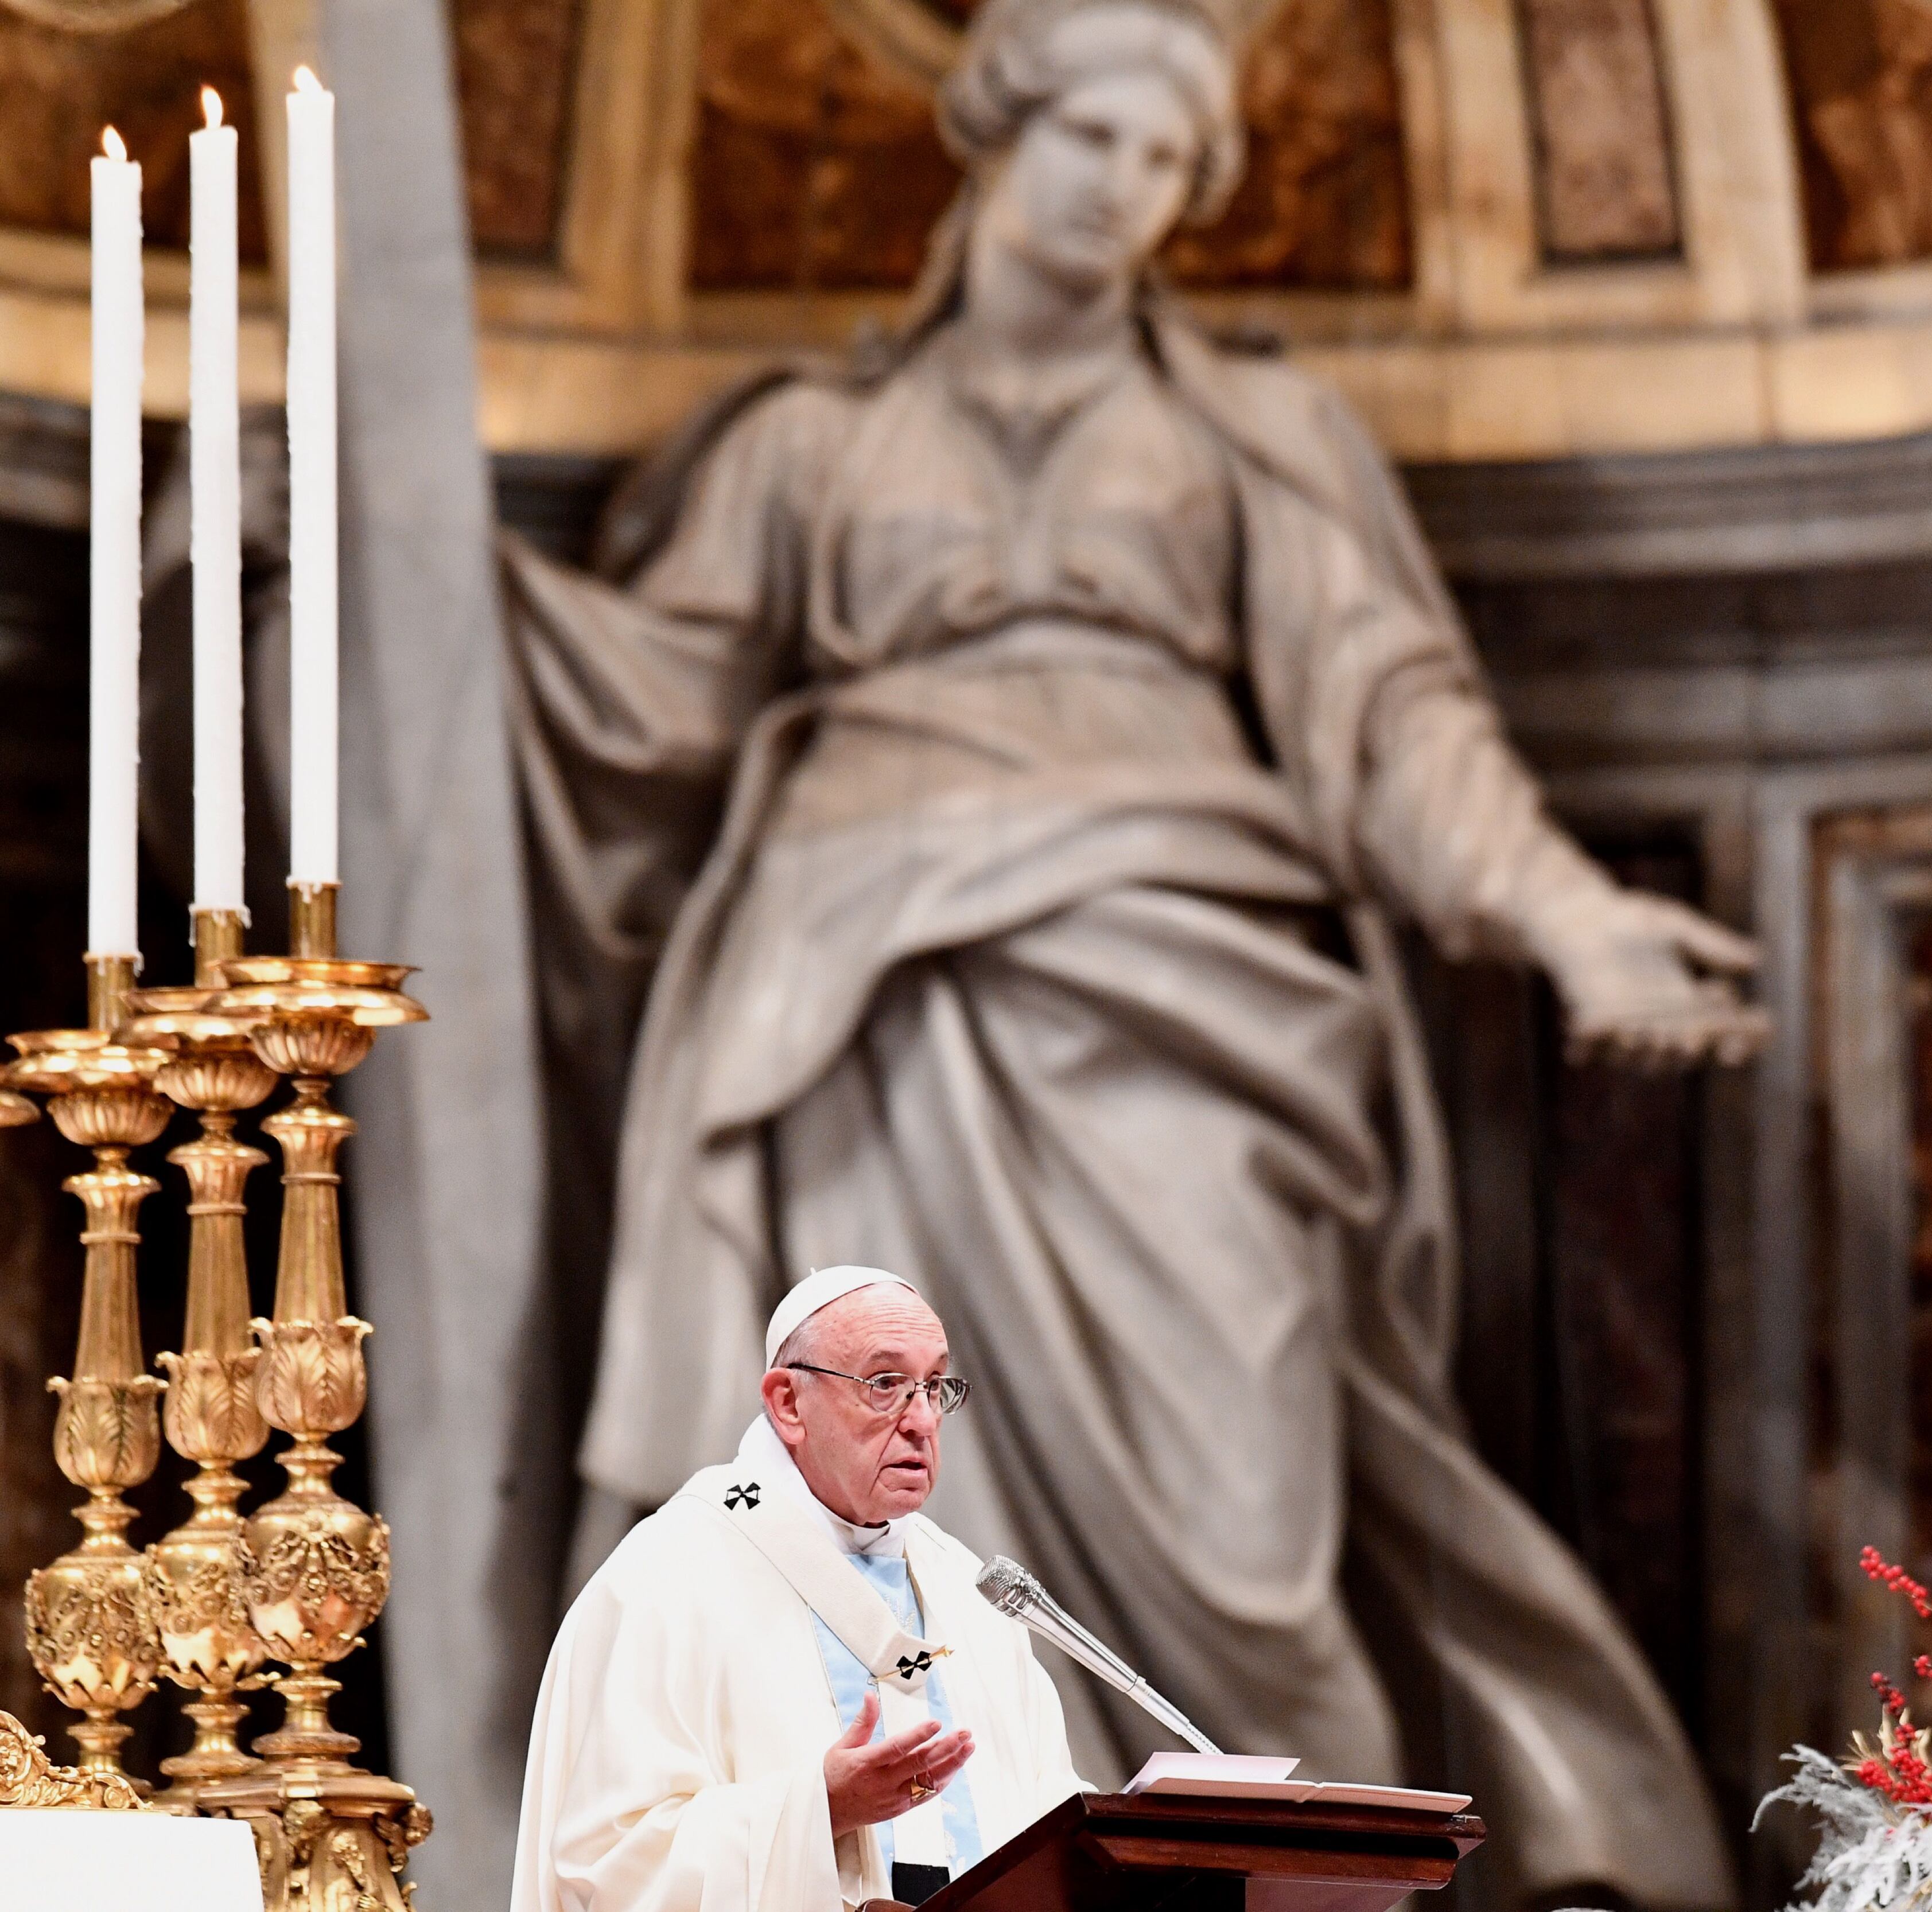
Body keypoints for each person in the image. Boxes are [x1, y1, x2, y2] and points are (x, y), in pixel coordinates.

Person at [498, 0, 1760, 1899]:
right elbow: (647, 696)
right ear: (997, 131)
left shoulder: (1247, 432)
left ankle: (1328, 1885)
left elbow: (1397, 716)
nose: (1129, 190)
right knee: (882, 1575)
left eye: (1170, 160)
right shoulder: (808, 445)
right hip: (865, 990)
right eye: (1096, 137)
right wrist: (395, 555)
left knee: (1249, 1550)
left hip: (1183, 985)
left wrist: (1571, 919)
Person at [512, 1267, 1084, 1912]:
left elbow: (1046, 1815)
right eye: (886, 1384)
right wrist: (820, 1809)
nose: (922, 1420)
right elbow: (606, 1862)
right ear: (788, 1403)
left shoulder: (965, 1590)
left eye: (933, 1386)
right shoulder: (668, 1576)